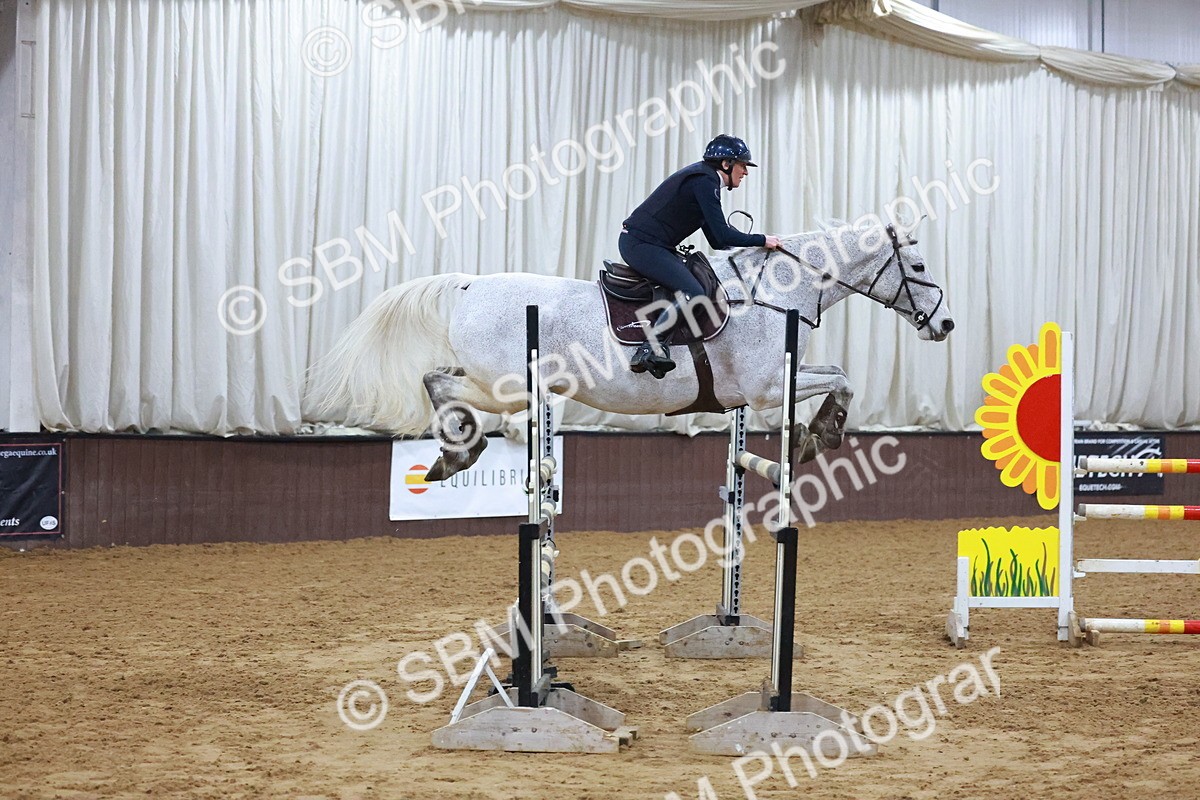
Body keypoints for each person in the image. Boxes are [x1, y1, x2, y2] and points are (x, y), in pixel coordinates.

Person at [619, 134, 781, 378]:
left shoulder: (705, 180)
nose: (745, 172)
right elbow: (724, 236)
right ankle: (650, 347)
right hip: (641, 244)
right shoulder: (705, 180)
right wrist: (761, 240)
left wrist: (751, 248)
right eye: (743, 165)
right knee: (694, 292)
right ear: (726, 164)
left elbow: (717, 239)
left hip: (652, 244)